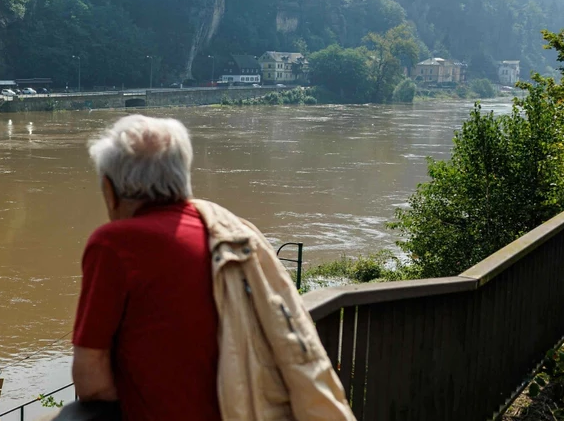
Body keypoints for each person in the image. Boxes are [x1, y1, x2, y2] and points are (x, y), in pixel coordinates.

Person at [66, 115, 353, 421]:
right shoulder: (229, 230)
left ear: (109, 191)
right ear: (182, 176)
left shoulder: (114, 244)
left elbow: (91, 380)